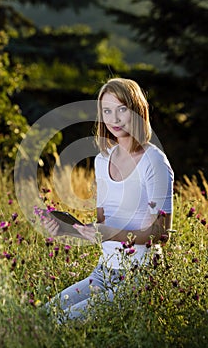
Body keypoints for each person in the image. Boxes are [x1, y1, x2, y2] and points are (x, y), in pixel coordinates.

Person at [44, 78, 174, 322]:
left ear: (137, 110)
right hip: (103, 272)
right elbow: (102, 226)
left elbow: (161, 233)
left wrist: (111, 233)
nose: (114, 119)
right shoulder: (102, 160)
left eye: (121, 109)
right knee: (44, 316)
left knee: (63, 322)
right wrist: (67, 229)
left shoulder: (154, 162)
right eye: (107, 111)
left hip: (140, 278)